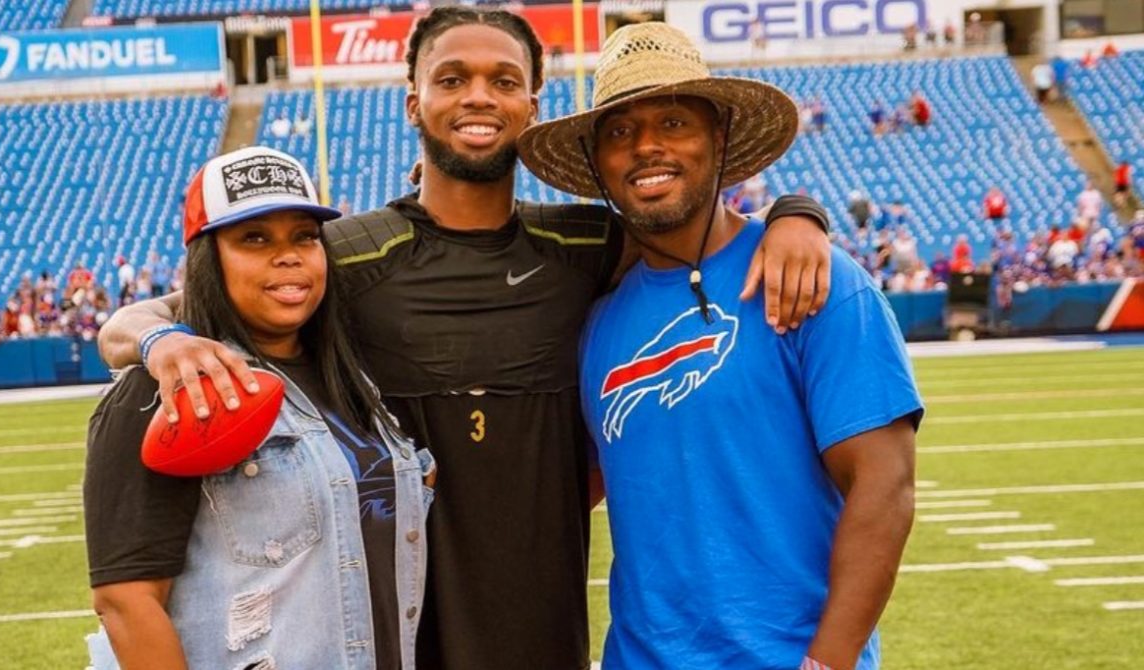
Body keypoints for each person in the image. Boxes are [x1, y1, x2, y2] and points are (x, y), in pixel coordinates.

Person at [98, 8, 833, 669]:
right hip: (394, 632)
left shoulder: (585, 244)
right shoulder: (347, 255)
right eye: (452, 79)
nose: (478, 96)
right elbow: (142, 319)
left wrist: (799, 213)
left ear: (531, 108)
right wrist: (162, 343)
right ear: (415, 101)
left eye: (502, 80)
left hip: (542, 627)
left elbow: (700, 231)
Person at [517, 22, 922, 670]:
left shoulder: (818, 281)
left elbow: (886, 484)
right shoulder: (593, 319)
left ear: (720, 137)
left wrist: (830, 661)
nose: (646, 147)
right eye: (619, 131)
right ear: (598, 163)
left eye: (673, 122)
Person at [83, 147, 434, 670]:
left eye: (304, 237)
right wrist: (156, 336)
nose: (288, 255)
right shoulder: (166, 386)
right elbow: (126, 602)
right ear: (209, 259)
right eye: (254, 238)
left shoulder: (355, 379)